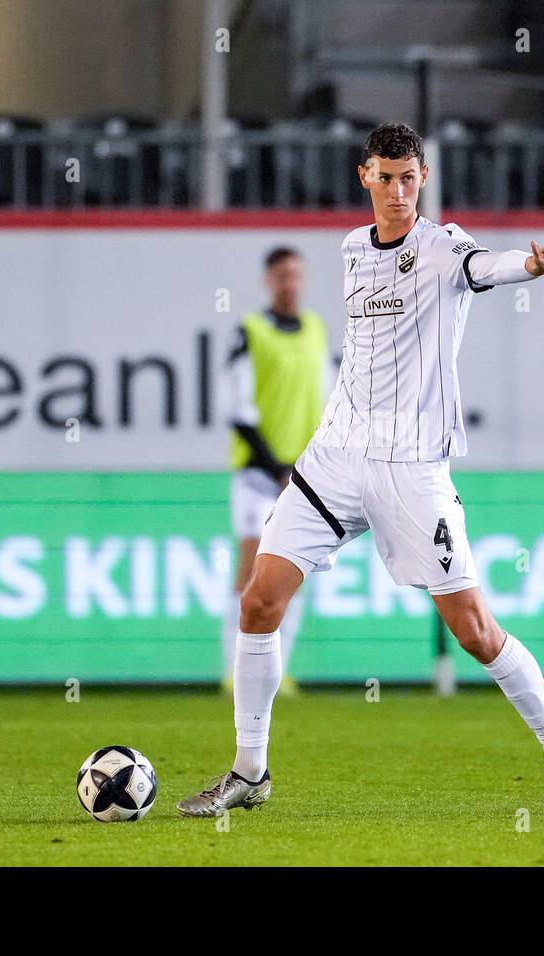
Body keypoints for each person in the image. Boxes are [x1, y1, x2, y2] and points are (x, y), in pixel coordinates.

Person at [178, 122, 544, 818]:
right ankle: (250, 772)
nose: (398, 191)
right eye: (386, 177)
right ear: (363, 177)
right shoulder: (350, 250)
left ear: (422, 180)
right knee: (259, 600)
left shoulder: (443, 247)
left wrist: (535, 265)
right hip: (336, 457)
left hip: (412, 467)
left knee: (474, 631)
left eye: (410, 178)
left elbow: (485, 266)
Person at [221, 246, 330, 695]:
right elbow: (238, 409)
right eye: (282, 276)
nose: (291, 283)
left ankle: (277, 670)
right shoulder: (250, 331)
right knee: (252, 566)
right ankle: (233, 668)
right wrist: (276, 465)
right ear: (269, 280)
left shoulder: (317, 331)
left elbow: (326, 403)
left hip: (303, 475)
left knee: (295, 568)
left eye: (297, 275)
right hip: (258, 472)